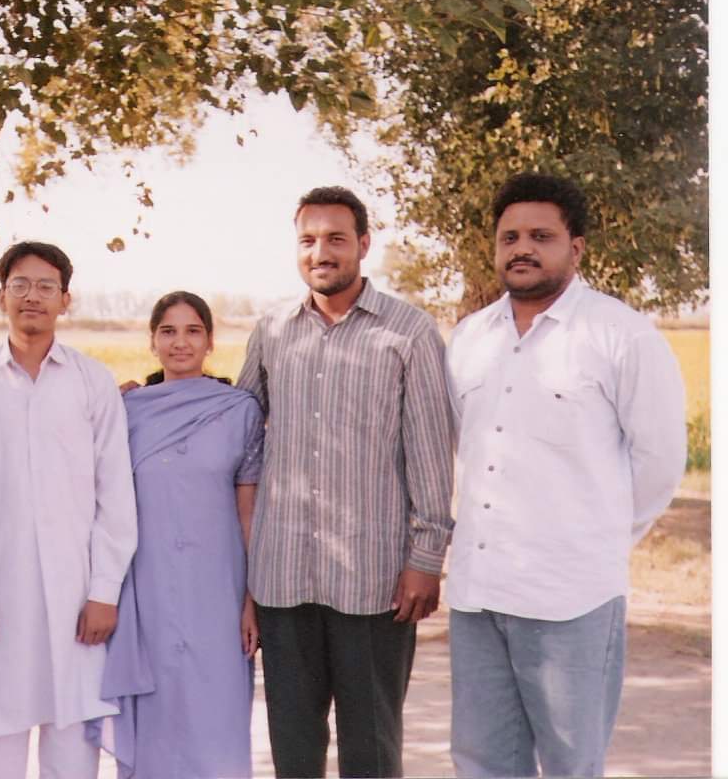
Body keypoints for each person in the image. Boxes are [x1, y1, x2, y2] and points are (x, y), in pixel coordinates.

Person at [445, 172, 687, 778]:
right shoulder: (471, 338)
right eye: (510, 237)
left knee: (572, 765)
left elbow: (658, 462)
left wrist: (595, 540)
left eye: (541, 236)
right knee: (480, 764)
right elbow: (459, 452)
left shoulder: (619, 335)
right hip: (478, 596)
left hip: (569, 596)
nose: (522, 248)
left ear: (575, 248)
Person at [236, 185, 454, 779]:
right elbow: (235, 429)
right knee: (294, 750)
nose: (321, 252)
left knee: (372, 749)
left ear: (363, 244)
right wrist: (153, 394)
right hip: (283, 579)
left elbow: (432, 452)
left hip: (374, 582)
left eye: (335, 238)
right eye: (308, 240)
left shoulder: (408, 333)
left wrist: (426, 558)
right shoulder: (273, 331)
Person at [0, 241, 138, 778]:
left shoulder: (91, 380)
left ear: (65, 299)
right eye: (20, 285)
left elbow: (115, 494)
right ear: (1, 294)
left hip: (78, 600)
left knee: (73, 755)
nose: (33, 297)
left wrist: (103, 591)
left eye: (46, 286)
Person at [95, 291, 264, 779]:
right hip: (147, 587)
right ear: (152, 342)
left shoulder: (239, 410)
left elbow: (248, 508)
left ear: (210, 341)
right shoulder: (125, 411)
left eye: (193, 331)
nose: (180, 342)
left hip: (219, 588)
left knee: (217, 714)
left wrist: (252, 596)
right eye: (168, 331)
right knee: (158, 714)